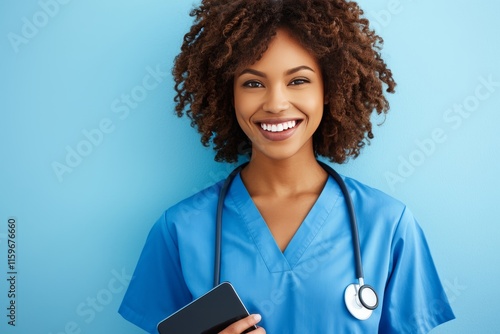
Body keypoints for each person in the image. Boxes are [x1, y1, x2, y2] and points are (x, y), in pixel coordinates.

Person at [119, 0, 455, 333]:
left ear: (329, 88)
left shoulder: (389, 224)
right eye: (253, 83)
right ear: (228, 94)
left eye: (298, 81)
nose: (276, 103)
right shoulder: (179, 230)